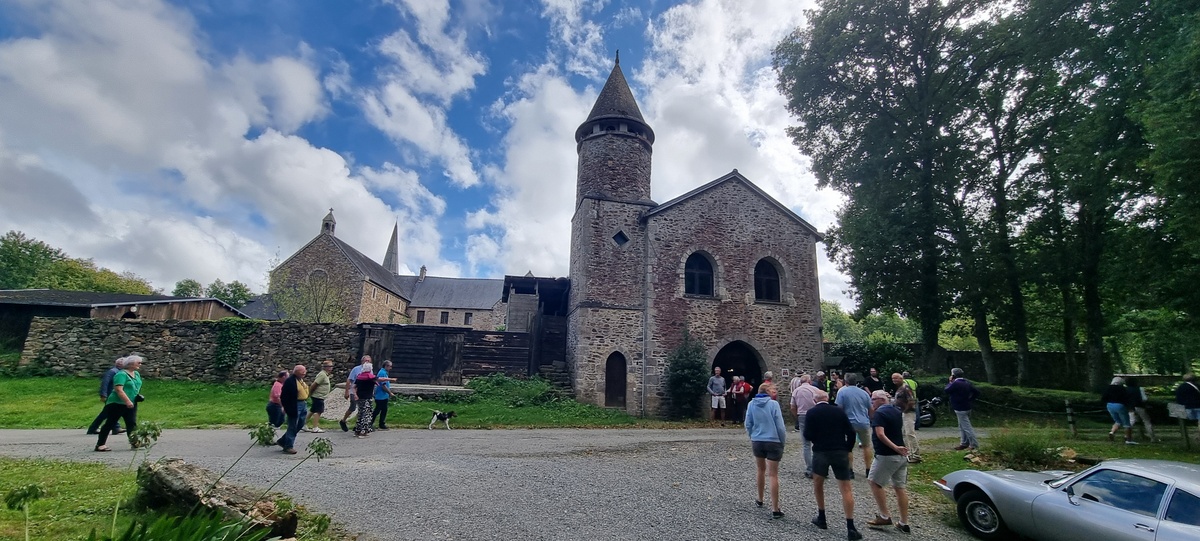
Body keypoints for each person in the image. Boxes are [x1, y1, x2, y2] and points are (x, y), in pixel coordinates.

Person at [805, 389, 862, 541]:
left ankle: (822, 517)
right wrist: (848, 448)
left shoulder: (811, 413)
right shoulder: (839, 411)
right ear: (828, 398)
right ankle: (850, 527)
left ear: (815, 400)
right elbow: (851, 432)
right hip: (839, 451)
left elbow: (807, 435)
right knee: (846, 488)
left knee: (818, 485)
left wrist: (817, 440)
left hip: (821, 452)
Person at [865, 390, 911, 534]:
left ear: (881, 399)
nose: (871, 402)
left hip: (887, 455)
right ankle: (904, 522)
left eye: (873, 399)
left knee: (874, 482)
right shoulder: (896, 411)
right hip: (901, 456)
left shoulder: (880, 413)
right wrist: (900, 448)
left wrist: (895, 447)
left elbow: (880, 434)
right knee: (900, 488)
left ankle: (884, 516)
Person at [745, 381, 787, 519]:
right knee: (773, 474)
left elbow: (748, 423)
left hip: (757, 440)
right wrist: (782, 440)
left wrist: (752, 436)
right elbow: (780, 426)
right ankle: (775, 508)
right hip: (773, 440)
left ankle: (760, 498)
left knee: (760, 470)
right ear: (768, 392)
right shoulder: (773, 405)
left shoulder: (751, 404)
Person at [94, 355, 144, 452]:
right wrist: (127, 401)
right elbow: (118, 389)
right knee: (110, 423)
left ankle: (134, 442)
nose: (140, 364)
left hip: (132, 402)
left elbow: (135, 386)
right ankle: (100, 444)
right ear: (131, 363)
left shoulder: (136, 374)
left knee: (131, 423)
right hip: (117, 403)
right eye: (138, 362)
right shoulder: (121, 374)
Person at [837, 373, 873, 476]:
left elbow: (839, 408)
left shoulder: (842, 392)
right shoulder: (864, 393)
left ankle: (850, 470)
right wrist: (870, 419)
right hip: (863, 422)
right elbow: (870, 409)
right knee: (866, 446)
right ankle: (868, 469)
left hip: (849, 423)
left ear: (846, 381)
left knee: (848, 447)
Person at [87, 356, 127, 435]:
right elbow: (105, 382)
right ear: (120, 364)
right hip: (110, 395)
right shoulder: (112, 372)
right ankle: (114, 428)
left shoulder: (119, 372)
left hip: (114, 395)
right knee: (108, 412)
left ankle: (114, 428)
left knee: (109, 412)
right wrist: (103, 394)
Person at [945, 368, 981, 450]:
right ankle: (964, 443)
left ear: (953, 375)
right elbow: (977, 392)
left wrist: (950, 382)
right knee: (962, 426)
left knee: (966, 427)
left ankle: (974, 444)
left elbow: (946, 390)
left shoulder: (955, 383)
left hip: (959, 407)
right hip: (967, 406)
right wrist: (970, 399)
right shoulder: (966, 382)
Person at [790, 374, 818, 478]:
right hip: (815, 415)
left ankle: (810, 469)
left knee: (806, 444)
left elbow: (792, 407)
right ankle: (819, 468)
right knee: (817, 442)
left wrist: (797, 417)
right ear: (810, 381)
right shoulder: (815, 390)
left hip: (802, 415)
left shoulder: (796, 391)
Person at [891, 373, 920, 463]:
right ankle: (909, 453)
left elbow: (911, 400)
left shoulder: (905, 388)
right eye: (893, 379)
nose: (894, 380)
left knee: (910, 433)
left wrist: (905, 410)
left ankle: (916, 455)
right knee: (904, 434)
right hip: (902, 413)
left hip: (908, 413)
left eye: (896, 378)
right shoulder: (899, 388)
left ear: (901, 378)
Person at [277, 365, 306, 454]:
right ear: (296, 372)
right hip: (295, 405)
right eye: (302, 371)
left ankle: (283, 440)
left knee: (301, 423)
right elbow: (284, 396)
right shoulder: (290, 381)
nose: (304, 373)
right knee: (293, 425)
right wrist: (286, 407)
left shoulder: (300, 380)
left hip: (303, 403)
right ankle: (288, 446)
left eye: (305, 371)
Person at [340, 355, 371, 432]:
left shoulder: (370, 370)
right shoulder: (356, 369)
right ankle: (343, 420)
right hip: (354, 391)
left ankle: (359, 424)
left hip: (363, 392)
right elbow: (349, 380)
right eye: (365, 360)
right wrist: (346, 391)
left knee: (362, 409)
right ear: (362, 361)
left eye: (368, 361)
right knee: (353, 407)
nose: (367, 362)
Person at [1102, 377, 1136, 444]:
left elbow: (1103, 398)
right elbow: (1126, 398)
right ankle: (1128, 439)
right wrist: (1129, 406)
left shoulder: (1108, 388)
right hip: (1120, 405)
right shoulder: (1122, 389)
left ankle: (1112, 432)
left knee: (1117, 421)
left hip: (1110, 405)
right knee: (1127, 423)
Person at [306, 360, 334, 432]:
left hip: (320, 396)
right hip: (318, 396)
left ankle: (302, 424)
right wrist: (310, 393)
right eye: (330, 366)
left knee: (313, 410)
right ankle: (315, 427)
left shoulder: (325, 375)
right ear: (325, 367)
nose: (331, 368)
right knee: (318, 411)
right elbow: (314, 384)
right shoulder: (322, 375)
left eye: (332, 366)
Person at [353, 363, 377, 438]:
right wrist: (390, 379)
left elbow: (354, 387)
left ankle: (357, 430)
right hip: (367, 398)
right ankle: (363, 431)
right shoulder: (371, 378)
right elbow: (380, 379)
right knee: (367, 414)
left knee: (360, 414)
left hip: (360, 398)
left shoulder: (359, 377)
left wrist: (355, 394)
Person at [372, 360, 396, 429]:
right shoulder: (382, 373)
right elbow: (383, 385)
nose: (391, 368)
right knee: (377, 410)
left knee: (384, 410)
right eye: (390, 366)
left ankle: (381, 424)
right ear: (386, 366)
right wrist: (390, 393)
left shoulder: (384, 372)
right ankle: (370, 423)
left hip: (384, 396)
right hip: (380, 396)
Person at [1176, 374, 1200, 444]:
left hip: (1187, 408)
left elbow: (1179, 399)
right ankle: (1198, 436)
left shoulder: (1180, 387)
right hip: (1198, 406)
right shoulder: (1197, 386)